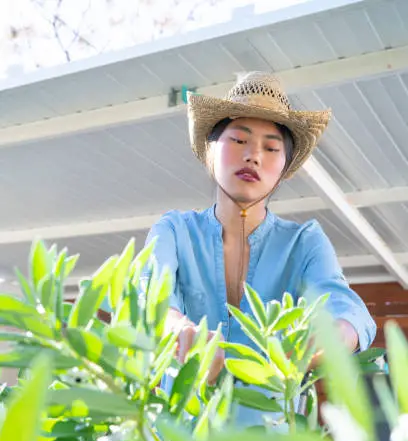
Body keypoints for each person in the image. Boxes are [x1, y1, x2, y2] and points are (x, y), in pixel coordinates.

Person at [142, 71, 376, 421]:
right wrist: (177, 328)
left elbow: (348, 310)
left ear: (283, 168)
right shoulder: (174, 231)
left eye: (271, 148)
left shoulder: (303, 242)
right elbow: (149, 298)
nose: (253, 156)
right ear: (211, 149)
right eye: (238, 140)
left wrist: (334, 334)